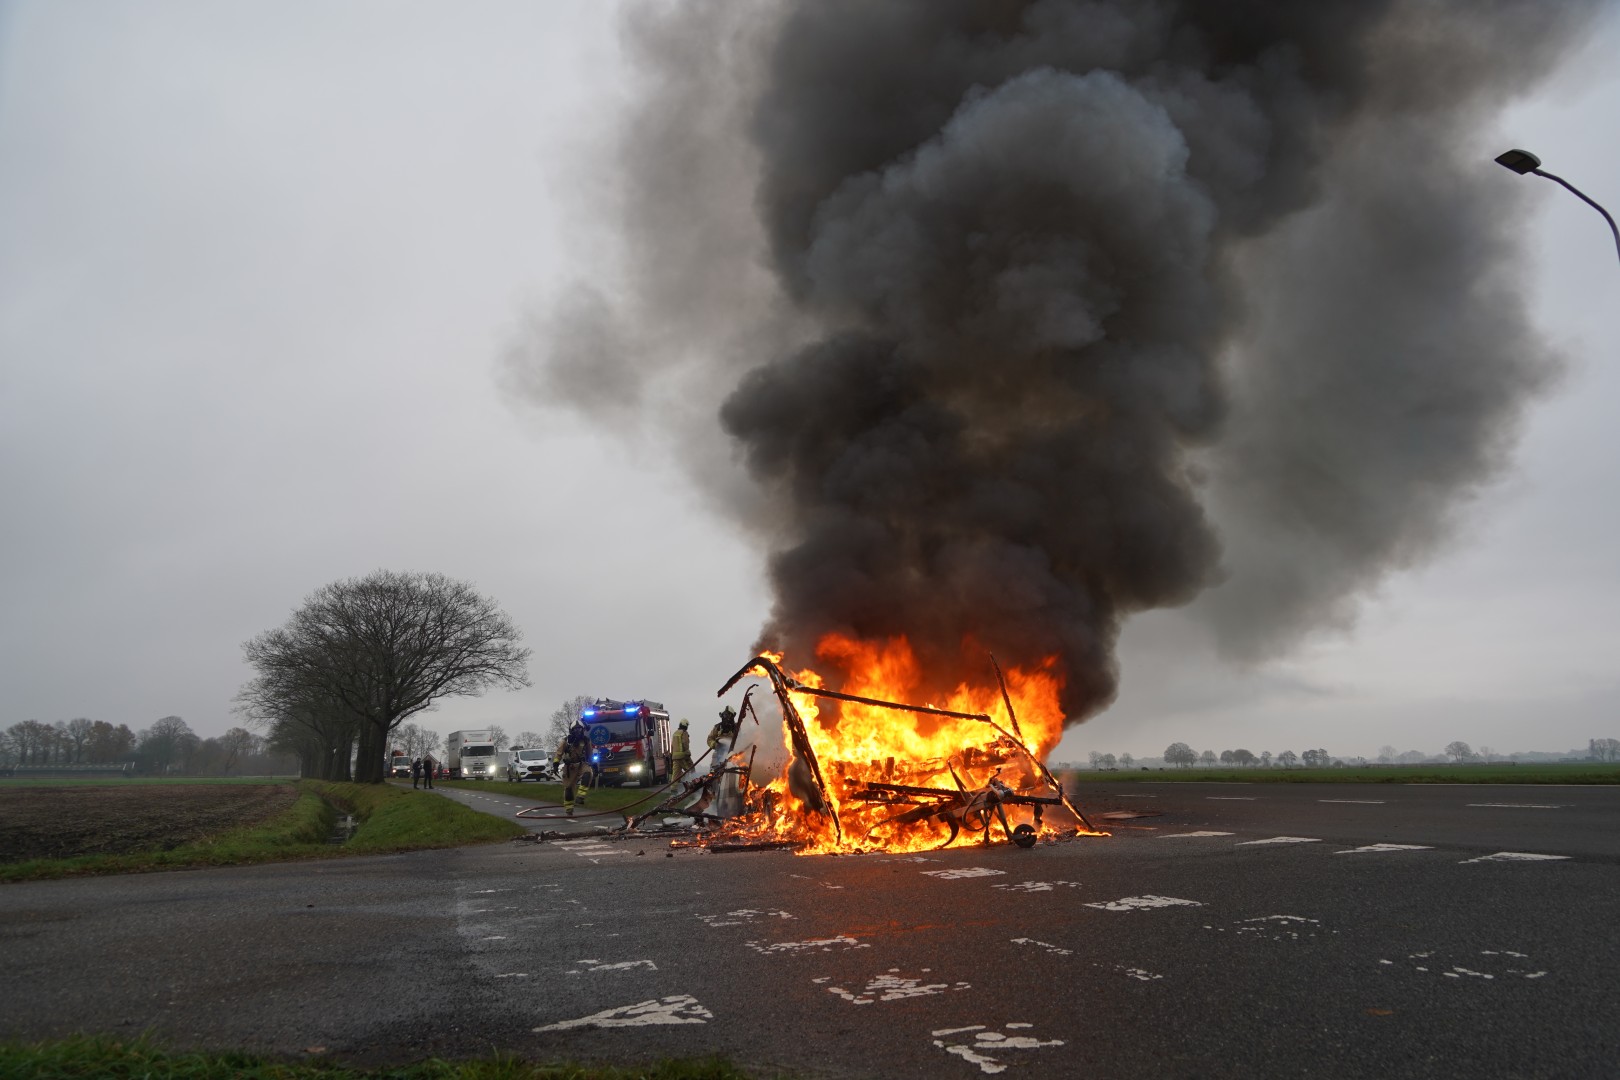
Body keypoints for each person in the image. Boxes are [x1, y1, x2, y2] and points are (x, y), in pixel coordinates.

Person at [558, 721, 592, 816]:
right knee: (568, 788)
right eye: (575, 729)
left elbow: (590, 754)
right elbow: (559, 753)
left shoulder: (586, 740)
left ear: (582, 730)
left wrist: (593, 764)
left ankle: (580, 796)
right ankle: (569, 809)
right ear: (571, 730)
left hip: (582, 764)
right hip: (570, 767)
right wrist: (556, 763)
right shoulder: (566, 741)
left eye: (579, 729)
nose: (578, 731)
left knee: (588, 773)